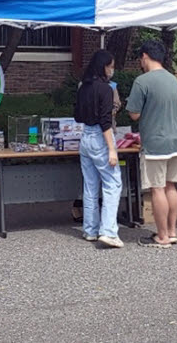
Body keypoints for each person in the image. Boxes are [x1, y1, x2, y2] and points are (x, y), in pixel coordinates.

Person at [127, 40, 177, 248]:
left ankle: (161, 236)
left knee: (157, 188)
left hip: (156, 143)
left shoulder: (142, 82)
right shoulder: (172, 80)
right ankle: (171, 231)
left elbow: (133, 114)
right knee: (171, 186)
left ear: (144, 56)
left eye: (140, 58)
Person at [73, 49, 123, 248]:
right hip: (101, 138)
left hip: (85, 136)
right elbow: (106, 121)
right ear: (104, 66)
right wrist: (112, 149)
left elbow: (77, 115)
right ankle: (108, 231)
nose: (112, 70)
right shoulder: (106, 89)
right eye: (111, 66)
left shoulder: (83, 87)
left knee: (90, 185)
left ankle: (90, 230)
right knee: (113, 183)